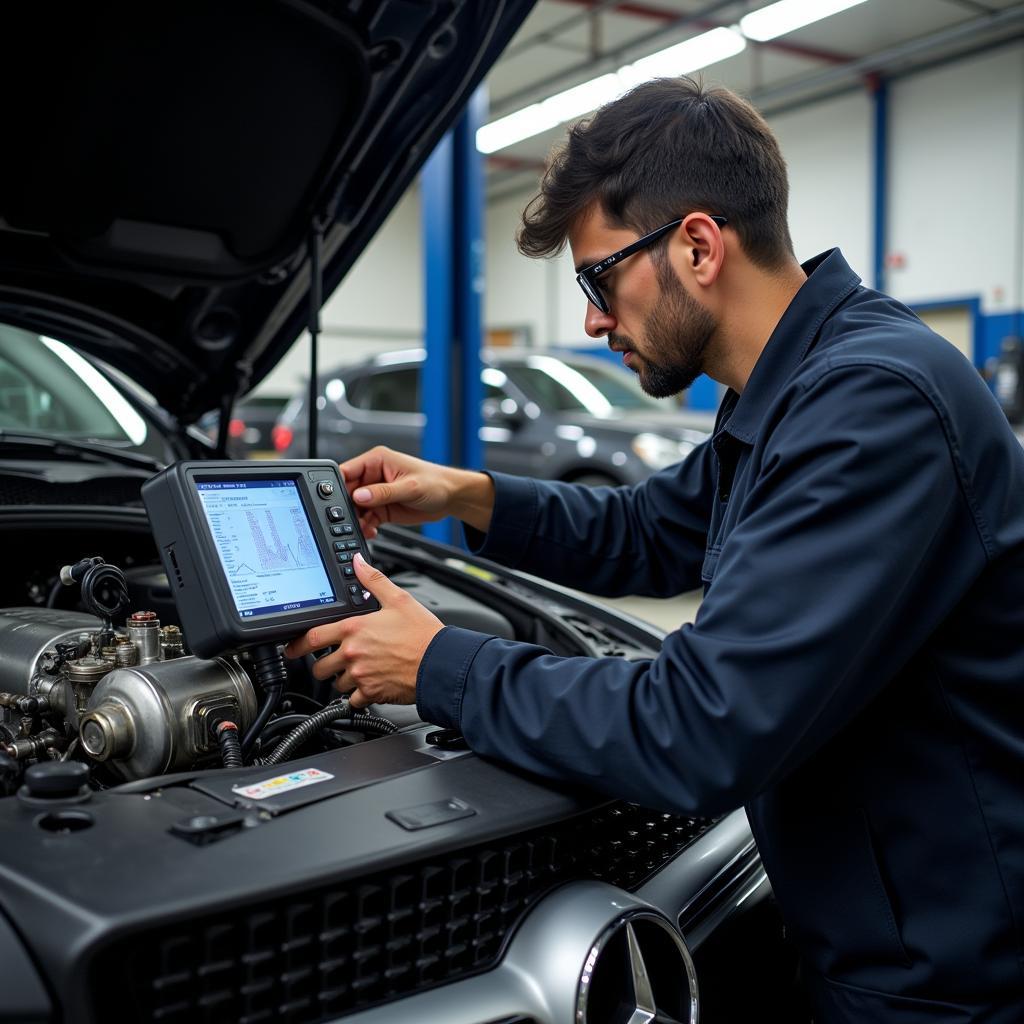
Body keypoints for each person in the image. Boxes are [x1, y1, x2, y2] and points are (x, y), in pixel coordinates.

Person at [285, 77, 1024, 1022]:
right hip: (877, 926)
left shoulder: (872, 407)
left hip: (943, 980)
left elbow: (703, 725)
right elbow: (649, 529)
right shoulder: (792, 390)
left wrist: (439, 665)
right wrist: (468, 495)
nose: (594, 320)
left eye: (599, 279)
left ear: (699, 245)